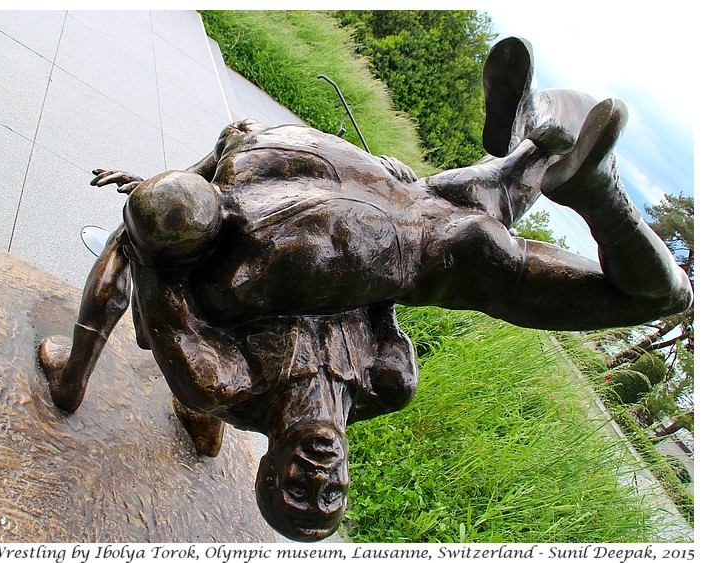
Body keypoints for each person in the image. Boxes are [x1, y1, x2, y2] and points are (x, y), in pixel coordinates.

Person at [38, 37, 692, 541]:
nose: (321, 478)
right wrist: (379, 183)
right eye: (333, 495)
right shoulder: (384, 383)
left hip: (276, 187)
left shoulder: (224, 382)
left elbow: (160, 285)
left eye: (300, 490)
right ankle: (575, 177)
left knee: (163, 217)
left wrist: (156, 207)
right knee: (653, 293)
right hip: (407, 215)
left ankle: (73, 379)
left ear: (268, 468)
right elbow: (385, 296)